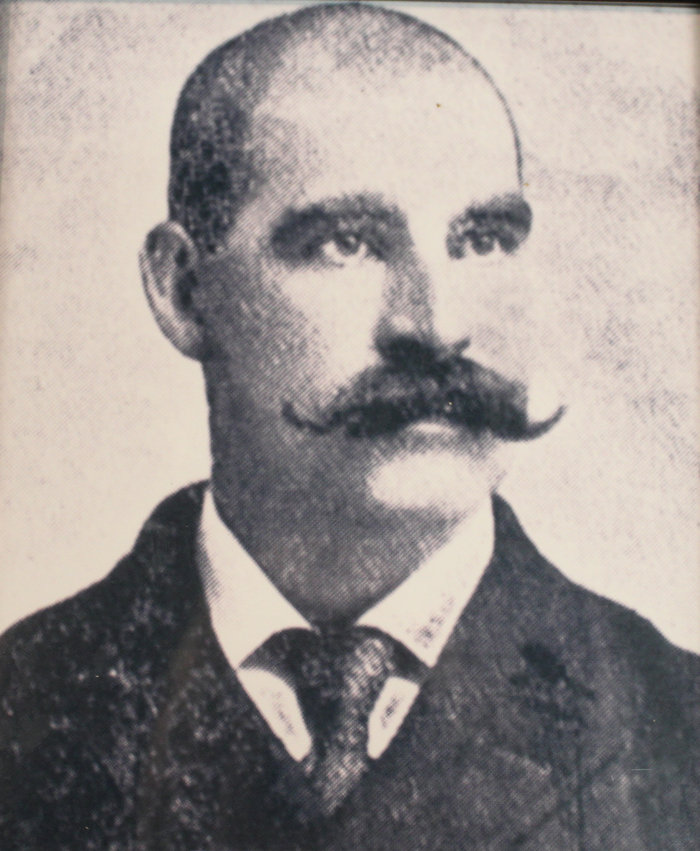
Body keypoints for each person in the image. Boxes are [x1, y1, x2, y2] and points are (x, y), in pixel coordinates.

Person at [0, 3, 697, 849]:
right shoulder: (24, 707)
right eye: (347, 243)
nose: (436, 327)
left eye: (482, 239)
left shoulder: (676, 731)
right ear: (184, 290)